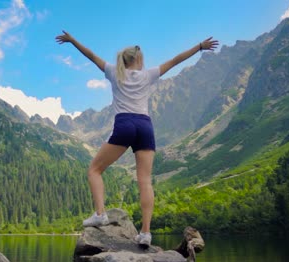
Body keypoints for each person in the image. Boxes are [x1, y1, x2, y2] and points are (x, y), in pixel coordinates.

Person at [56, 30, 218, 246]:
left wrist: (73, 40)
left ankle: (100, 213)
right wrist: (199, 46)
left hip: (125, 124)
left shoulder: (114, 72)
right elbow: (176, 60)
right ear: (138, 60)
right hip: (145, 125)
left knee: (94, 170)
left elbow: (91, 55)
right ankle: (145, 233)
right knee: (145, 182)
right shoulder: (148, 74)